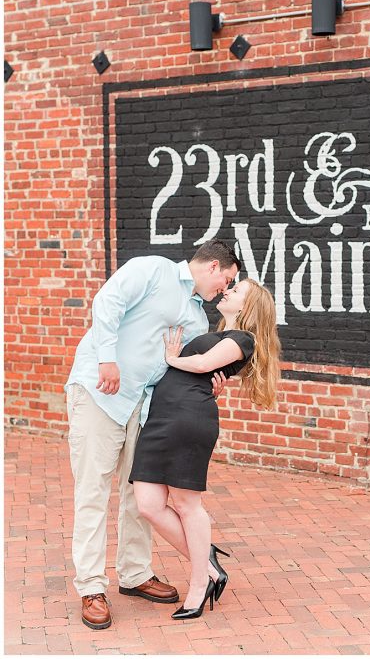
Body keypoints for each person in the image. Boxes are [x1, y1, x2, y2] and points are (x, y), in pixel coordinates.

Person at [65, 240, 240, 630]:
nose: (224, 291)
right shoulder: (152, 269)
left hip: (144, 409)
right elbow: (107, 303)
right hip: (100, 393)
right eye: (226, 281)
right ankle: (91, 587)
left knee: (138, 495)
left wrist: (209, 382)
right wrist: (107, 358)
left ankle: (135, 574)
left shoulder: (198, 318)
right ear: (214, 266)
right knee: (93, 492)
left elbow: (181, 366)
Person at [130, 277, 281, 620]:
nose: (228, 291)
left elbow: (199, 366)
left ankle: (199, 586)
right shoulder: (219, 333)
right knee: (149, 504)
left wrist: (172, 357)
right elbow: (204, 369)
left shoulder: (243, 338)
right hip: (163, 418)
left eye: (237, 290)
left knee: (185, 504)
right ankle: (208, 559)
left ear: (249, 306)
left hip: (189, 419)